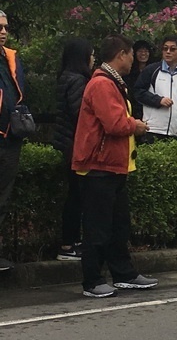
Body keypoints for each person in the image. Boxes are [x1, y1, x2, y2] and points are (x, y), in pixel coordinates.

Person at [73, 35, 155, 298]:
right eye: (131, 54)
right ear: (122, 54)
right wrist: (136, 125)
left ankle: (124, 274)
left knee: (119, 225)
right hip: (99, 166)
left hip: (114, 165)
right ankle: (92, 280)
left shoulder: (111, 82)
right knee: (98, 227)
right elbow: (115, 124)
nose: (134, 59)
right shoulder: (102, 84)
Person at [52, 38, 94, 261]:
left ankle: (71, 241)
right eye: (91, 54)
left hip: (67, 143)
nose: (93, 58)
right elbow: (81, 114)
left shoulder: (65, 77)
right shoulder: (77, 80)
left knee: (75, 194)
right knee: (76, 196)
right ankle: (68, 245)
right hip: (74, 145)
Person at [0, 10, 30, 272]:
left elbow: (20, 91)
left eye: (6, 27)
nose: (3, 32)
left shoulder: (11, 58)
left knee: (2, 198)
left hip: (10, 139)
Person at [132, 34, 177, 142]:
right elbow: (138, 92)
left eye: (172, 49)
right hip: (153, 129)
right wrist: (158, 100)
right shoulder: (151, 70)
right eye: (165, 48)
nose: (168, 52)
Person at [128, 40, 152, 119]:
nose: (143, 54)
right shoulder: (129, 71)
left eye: (146, 51)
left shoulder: (153, 71)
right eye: (140, 51)